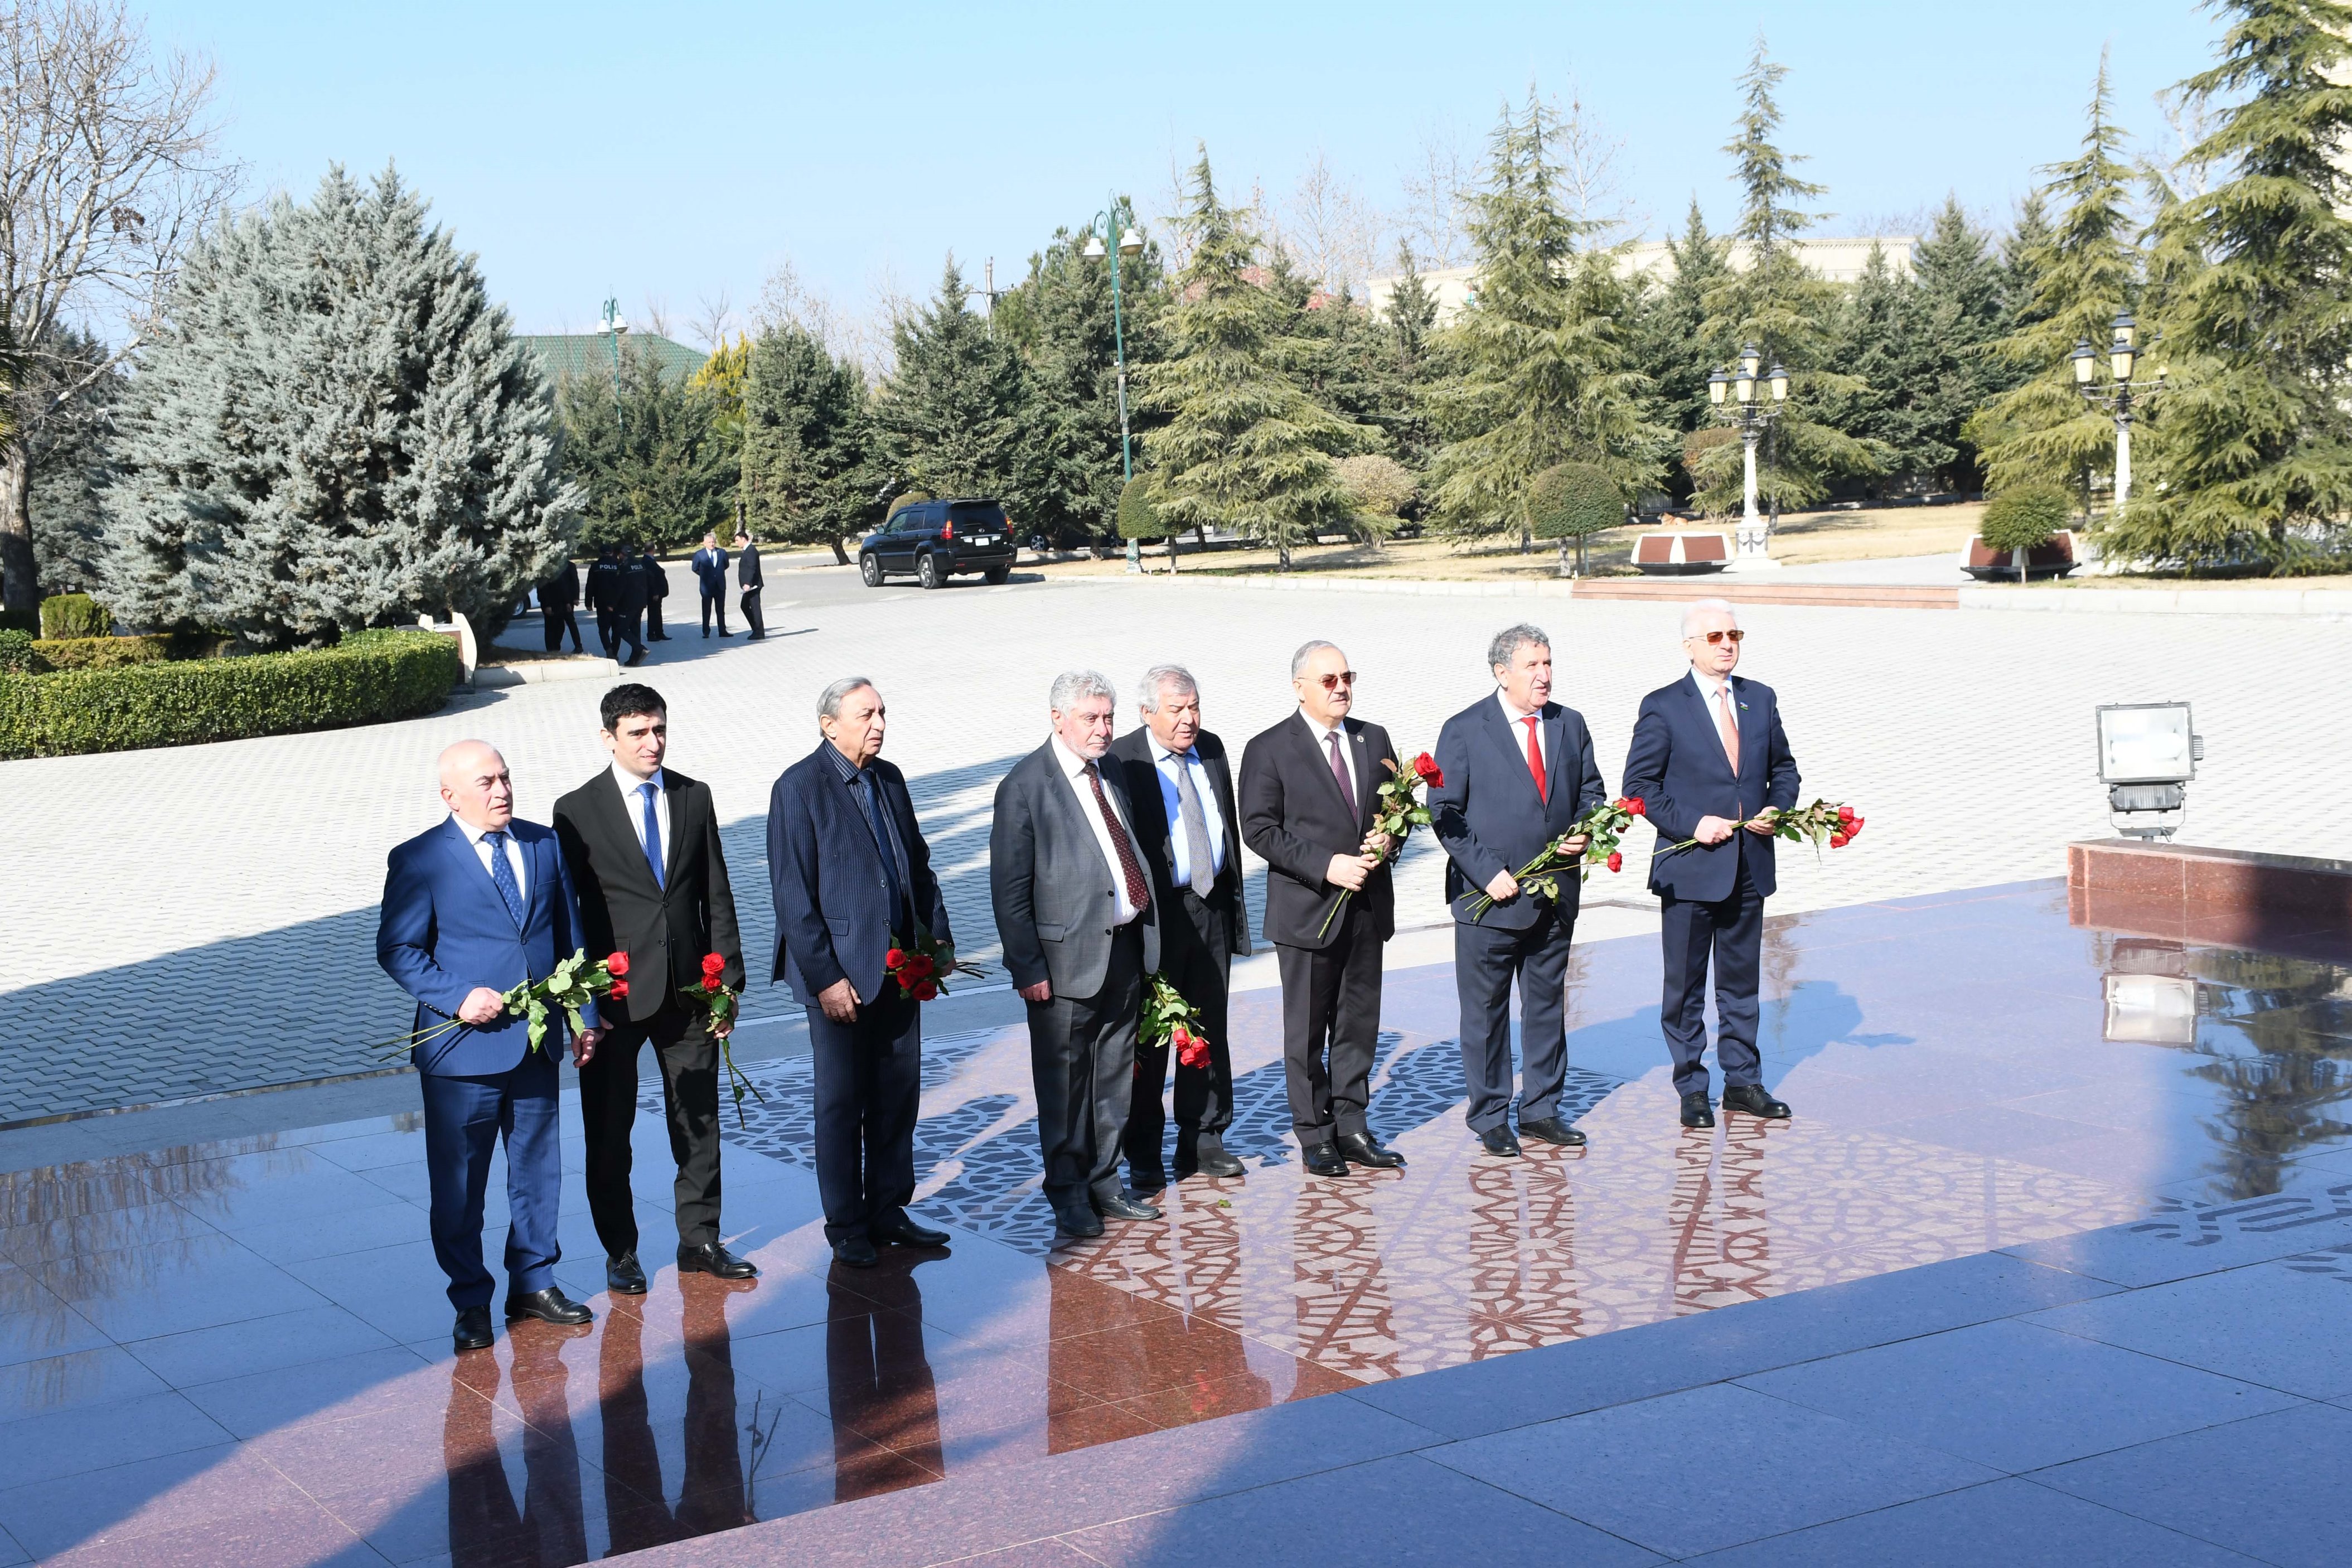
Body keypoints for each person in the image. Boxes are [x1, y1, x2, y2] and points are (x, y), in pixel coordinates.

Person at [376, 741, 602, 1354]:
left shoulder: (542, 843)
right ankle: (470, 1298)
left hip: (534, 1043)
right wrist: (457, 996)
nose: (502, 790)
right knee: (461, 1184)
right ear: (450, 796)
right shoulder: (421, 859)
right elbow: (398, 949)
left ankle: (534, 1281)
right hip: (462, 1052)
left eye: (505, 777)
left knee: (538, 1171)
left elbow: (567, 938)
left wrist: (584, 1016)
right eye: (486, 782)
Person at [552, 683, 756, 1295]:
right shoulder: (576, 809)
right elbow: (571, 913)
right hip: (613, 997)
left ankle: (700, 1240)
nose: (653, 742)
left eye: (659, 729)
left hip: (690, 993)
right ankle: (621, 1250)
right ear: (609, 737)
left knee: (698, 1120)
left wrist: (727, 986)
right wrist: (581, 1006)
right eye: (638, 732)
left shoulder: (693, 797)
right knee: (609, 1131)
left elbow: (714, 893)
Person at [770, 677, 957, 1267]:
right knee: (841, 1101)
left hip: (902, 969)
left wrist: (939, 939)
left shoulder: (891, 778)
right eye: (864, 714)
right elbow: (792, 897)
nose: (878, 723)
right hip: (840, 977)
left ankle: (888, 1208)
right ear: (829, 724)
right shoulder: (799, 788)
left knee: (898, 1096)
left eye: (881, 712)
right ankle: (847, 1222)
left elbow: (917, 866)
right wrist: (825, 977)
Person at [990, 670, 1163, 1238]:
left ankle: (1105, 1181)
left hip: (1122, 950)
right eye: (1091, 718)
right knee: (1065, 1085)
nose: (1104, 729)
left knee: (1114, 1075)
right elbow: (1010, 891)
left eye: (1109, 717)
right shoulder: (1025, 785)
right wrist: (1028, 967)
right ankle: (1067, 1191)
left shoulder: (1108, 769)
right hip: (1062, 968)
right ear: (1058, 717)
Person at [1622, 598, 1801, 1130]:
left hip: (1749, 865)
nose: (1728, 645)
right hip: (1692, 868)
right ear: (1690, 647)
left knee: (1741, 982)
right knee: (1685, 986)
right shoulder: (1663, 706)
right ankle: (1692, 1087)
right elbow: (1640, 789)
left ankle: (1743, 1083)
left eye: (1735, 635)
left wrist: (1778, 808)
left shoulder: (1759, 699)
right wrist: (1692, 824)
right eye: (1716, 637)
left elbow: (1784, 768)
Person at [1431, 625, 1606, 1158]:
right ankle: (1489, 1115)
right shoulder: (1464, 729)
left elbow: (1593, 791)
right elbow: (1445, 813)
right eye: (1532, 666)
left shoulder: (1569, 723)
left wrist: (1585, 828)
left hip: (1554, 896)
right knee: (1486, 1014)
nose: (1544, 675)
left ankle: (1542, 1109)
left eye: (1548, 663)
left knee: (1547, 1005)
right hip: (1491, 900)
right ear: (1501, 673)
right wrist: (1487, 872)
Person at [1238, 641, 1405, 1178]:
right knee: (1308, 1031)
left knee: (1358, 1025)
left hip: (1366, 909)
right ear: (1300, 688)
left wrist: (1389, 844)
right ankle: (1315, 1134)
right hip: (1308, 911)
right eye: (1329, 680)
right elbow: (1259, 829)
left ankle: (1353, 1125)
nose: (1341, 688)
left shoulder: (1372, 738)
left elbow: (1394, 812)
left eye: (1347, 677)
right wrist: (1327, 865)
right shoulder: (1269, 748)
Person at [1109, 665, 1248, 1187]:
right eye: (1177, 709)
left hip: (1210, 907)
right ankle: (1143, 1150)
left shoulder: (1210, 748)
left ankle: (1204, 1138)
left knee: (1209, 1028)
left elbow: (1224, 824)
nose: (1189, 719)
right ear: (1147, 712)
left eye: (1195, 707)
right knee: (1152, 1037)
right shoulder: (1124, 758)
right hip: (1156, 919)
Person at [585, 544, 624, 659]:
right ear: (612, 553)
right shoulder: (619, 565)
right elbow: (623, 585)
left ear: (601, 553)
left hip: (601, 603)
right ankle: (615, 652)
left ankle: (608, 649)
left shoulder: (595, 566)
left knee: (603, 629)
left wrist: (588, 603)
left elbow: (590, 586)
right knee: (617, 629)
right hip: (618, 603)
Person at [690, 532, 731, 638]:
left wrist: (717, 574)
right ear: (704, 543)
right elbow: (695, 568)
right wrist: (704, 575)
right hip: (707, 587)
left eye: (713, 542)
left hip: (720, 585)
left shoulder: (722, 552)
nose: (712, 544)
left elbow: (726, 565)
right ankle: (706, 631)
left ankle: (722, 631)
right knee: (706, 609)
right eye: (709, 542)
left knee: (720, 610)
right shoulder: (700, 554)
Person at [539, 558, 583, 655]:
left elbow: (573, 582)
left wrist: (573, 599)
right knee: (557, 626)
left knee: (560, 626)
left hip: (562, 602)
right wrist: (547, 604)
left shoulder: (568, 566)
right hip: (554, 601)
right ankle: (553, 648)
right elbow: (543, 587)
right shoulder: (548, 567)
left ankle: (556, 648)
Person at [735, 527, 766, 640]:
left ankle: (759, 631)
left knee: (755, 608)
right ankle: (756, 629)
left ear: (743, 539)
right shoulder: (748, 550)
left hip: (753, 586)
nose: (736, 543)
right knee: (744, 606)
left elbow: (752, 568)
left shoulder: (751, 551)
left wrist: (748, 583)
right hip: (749, 587)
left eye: (737, 540)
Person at [638, 548, 671, 641]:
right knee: (653, 613)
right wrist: (655, 592)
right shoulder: (647, 561)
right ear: (653, 550)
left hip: (657, 592)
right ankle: (651, 634)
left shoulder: (650, 560)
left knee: (657, 613)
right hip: (653, 593)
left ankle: (659, 632)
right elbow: (651, 579)